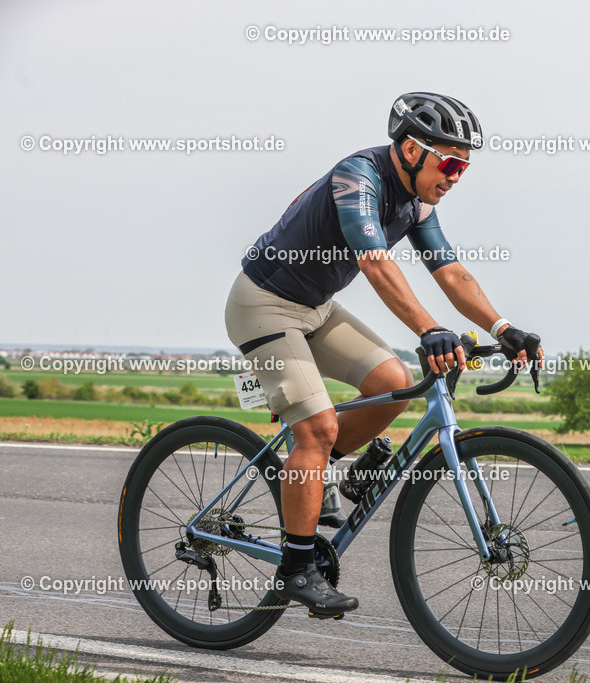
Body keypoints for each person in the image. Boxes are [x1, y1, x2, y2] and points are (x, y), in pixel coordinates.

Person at [224, 92, 544, 616]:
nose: (457, 176)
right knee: (318, 429)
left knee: (391, 382)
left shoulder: (419, 201)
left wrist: (502, 326)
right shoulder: (359, 177)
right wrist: (429, 329)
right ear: (413, 150)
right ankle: (296, 569)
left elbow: (452, 272)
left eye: (465, 166)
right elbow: (374, 263)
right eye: (451, 162)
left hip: (317, 307)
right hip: (264, 305)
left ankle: (308, 477)